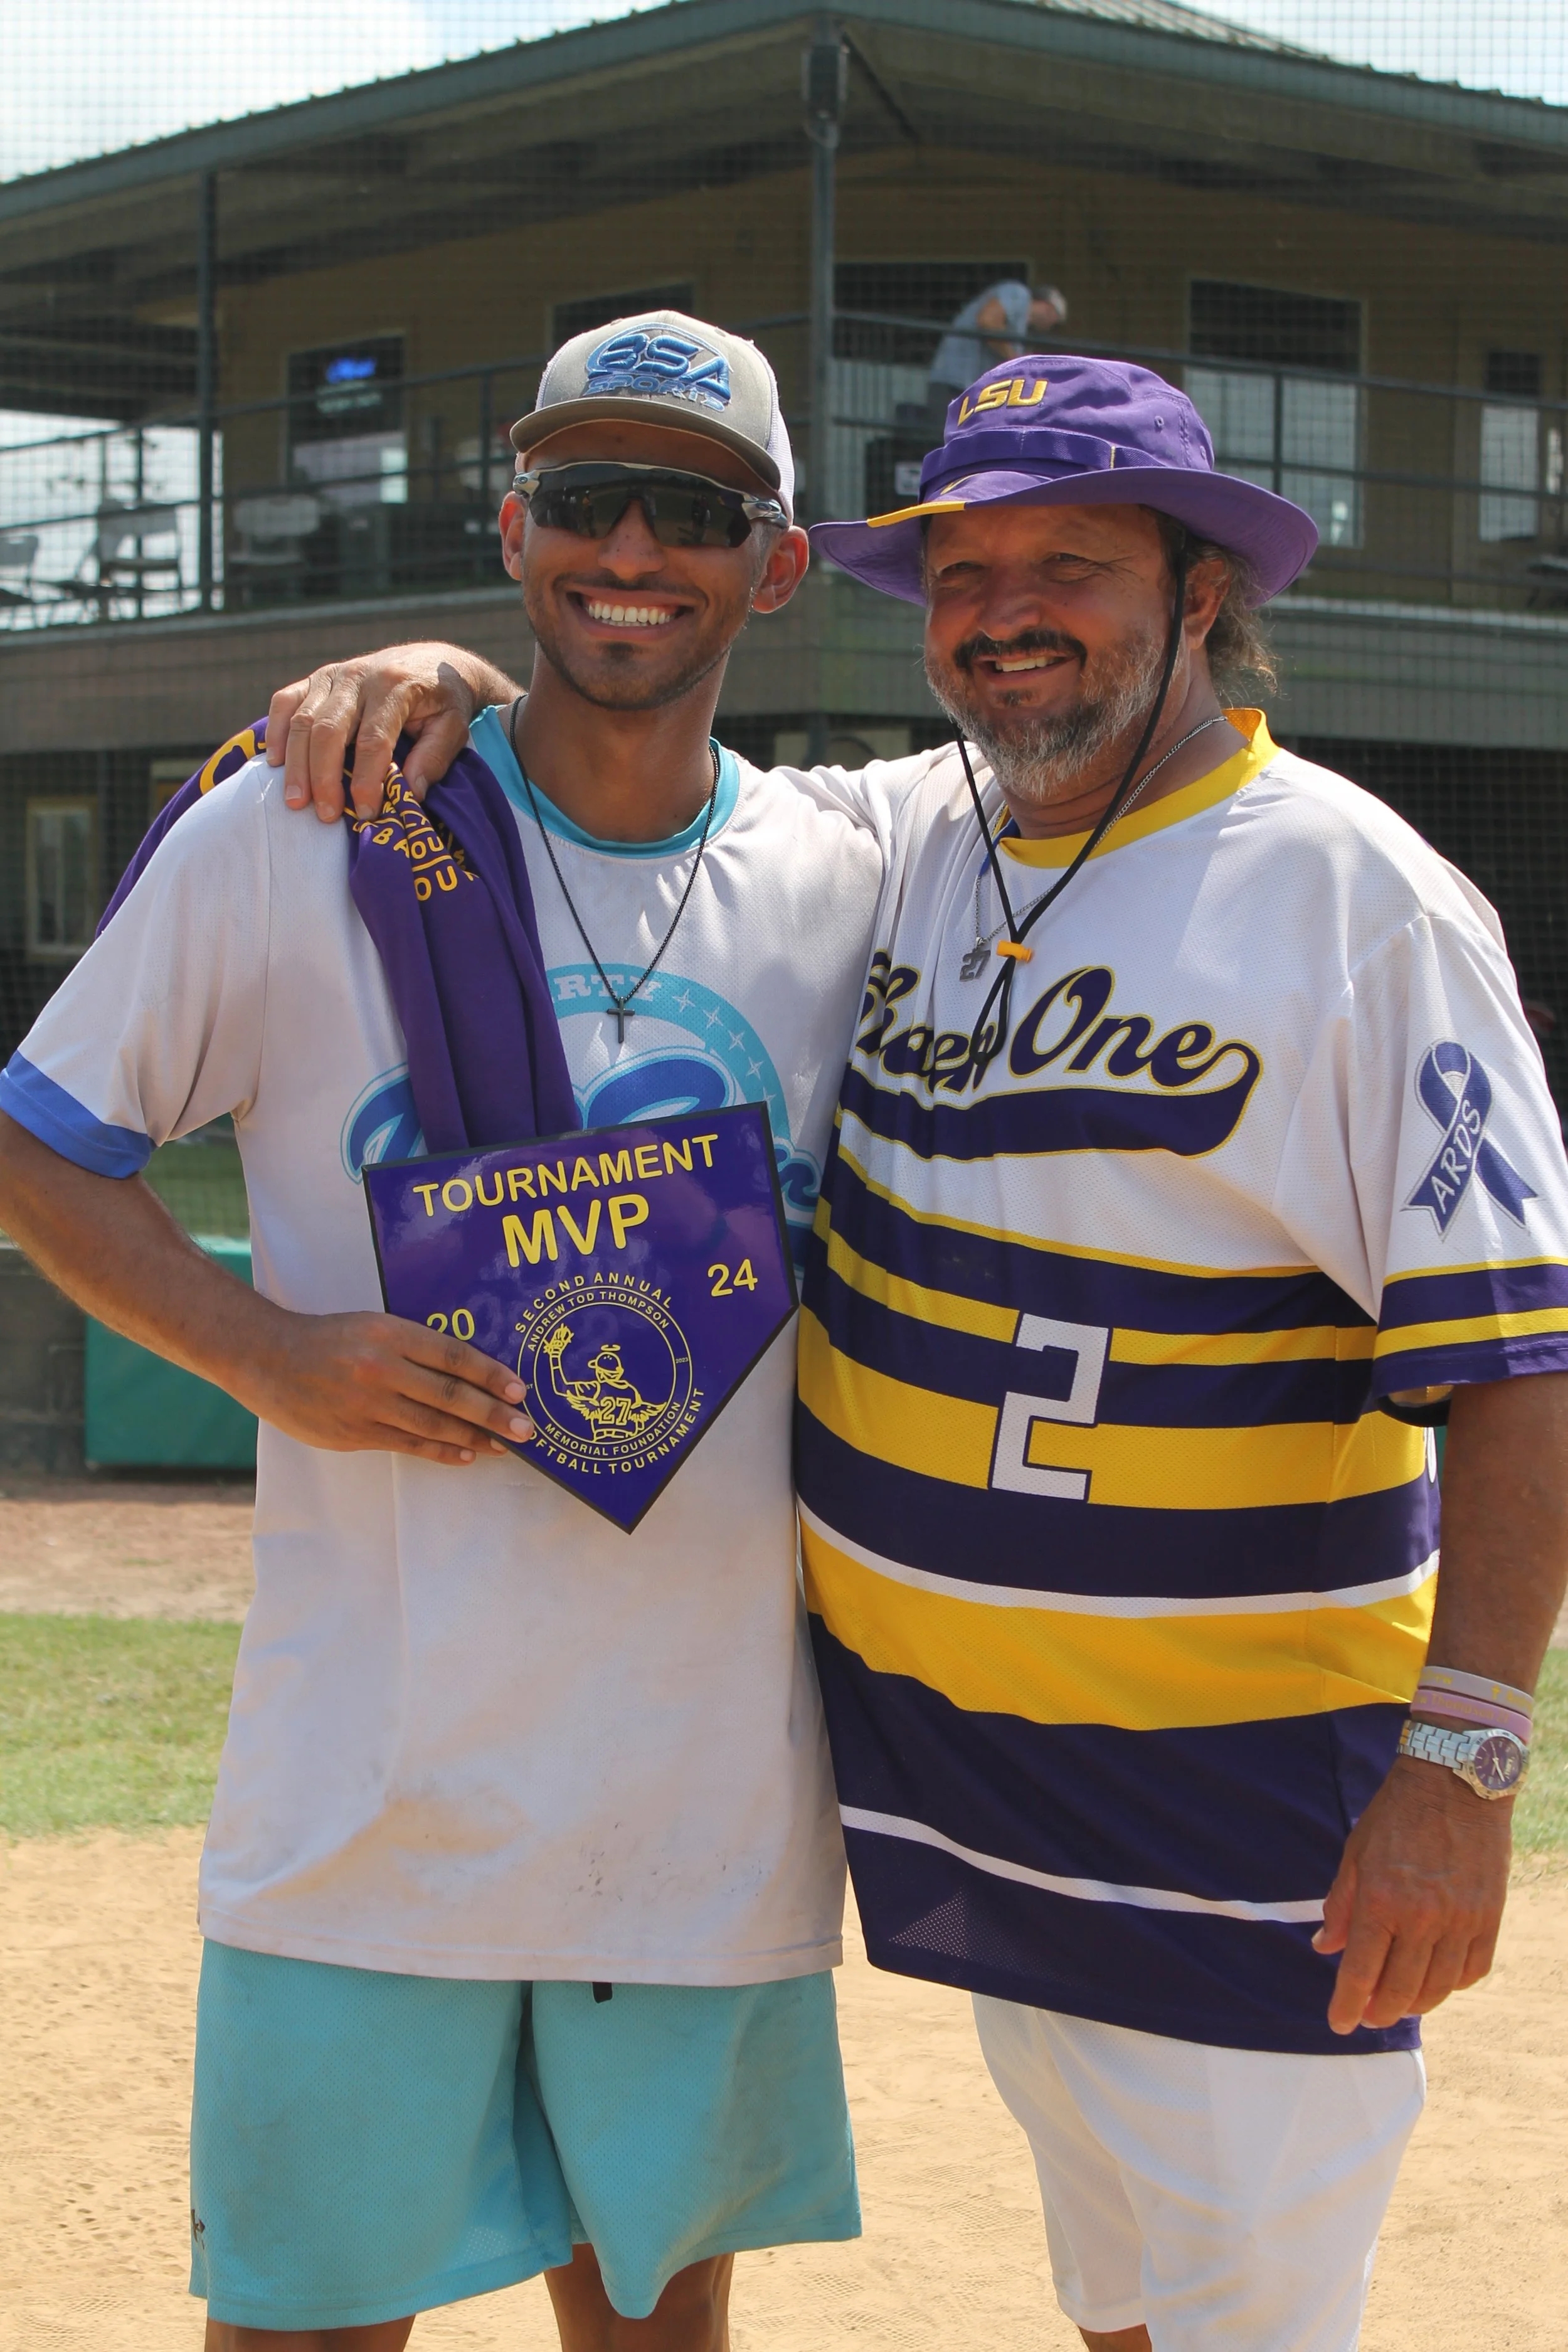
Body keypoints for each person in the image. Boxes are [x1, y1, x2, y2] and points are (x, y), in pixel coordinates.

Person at [265, 350, 1568, 2352]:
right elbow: (632, 753)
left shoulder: (1350, 896)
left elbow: (1514, 1364)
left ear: (1198, 593)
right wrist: (440, 669)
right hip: (981, 1792)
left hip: (1238, 1806)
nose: (1005, 613)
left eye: (1068, 560)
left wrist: (1462, 1766)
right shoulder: (919, 840)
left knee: (1252, 2315)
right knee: (1123, 2296)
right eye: (959, 574)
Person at [0, 309, 872, 2352]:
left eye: (693, 505)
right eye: (582, 497)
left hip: (698, 1818)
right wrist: (262, 1355)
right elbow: (42, 1150)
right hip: (369, 1808)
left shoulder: (858, 873)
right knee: (305, 2332)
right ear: (510, 524)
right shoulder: (299, 830)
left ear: (783, 562)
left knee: (657, 2336)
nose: (630, 544)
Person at [926, 279, 1067, 431]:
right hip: (954, 385)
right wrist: (1015, 361)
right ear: (1049, 308)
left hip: (967, 392)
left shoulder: (1021, 327)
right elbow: (988, 321)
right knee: (948, 446)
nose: (1051, 327)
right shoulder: (1018, 293)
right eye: (1056, 322)